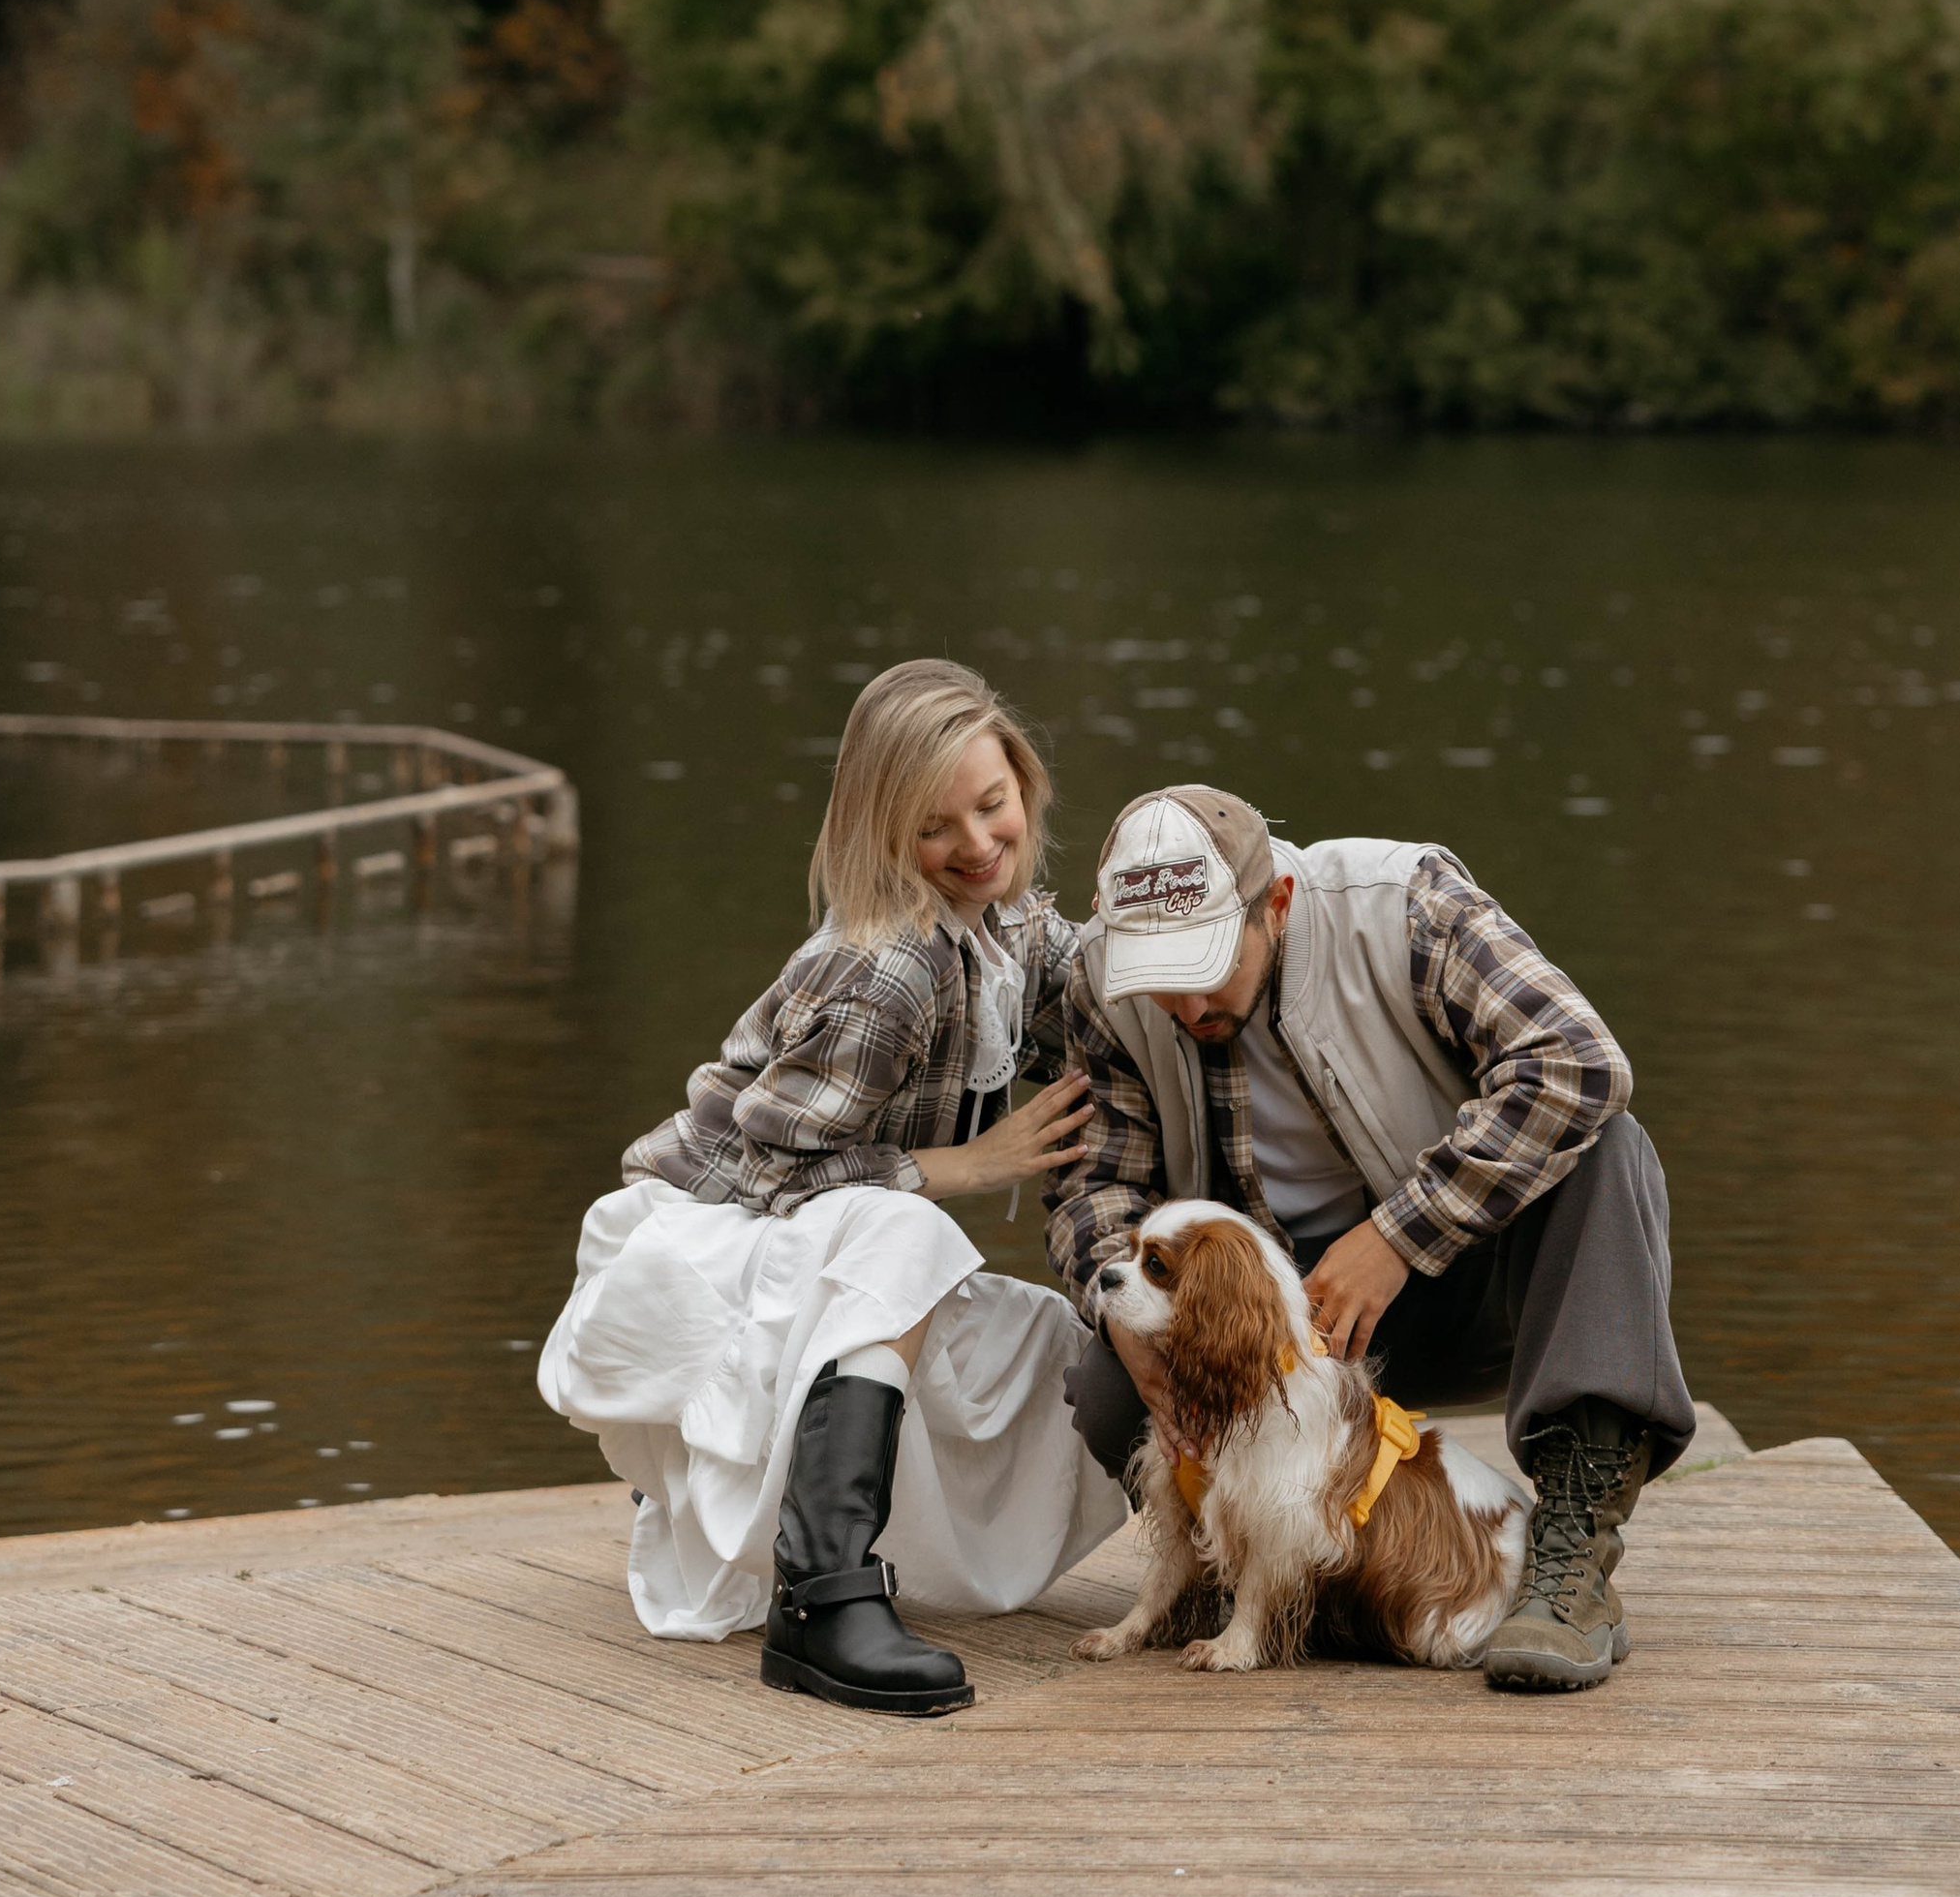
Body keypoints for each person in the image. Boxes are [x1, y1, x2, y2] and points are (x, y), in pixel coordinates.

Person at [538, 660, 1125, 1715]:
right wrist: (963, 1166)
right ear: (880, 835)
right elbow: (767, 1170)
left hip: (808, 1241)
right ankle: (819, 1600)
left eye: (992, 805)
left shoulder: (1007, 933)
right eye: (933, 827)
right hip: (704, 1239)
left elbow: (1107, 997)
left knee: (1054, 1348)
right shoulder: (888, 968)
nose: (977, 845)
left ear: (1025, 785)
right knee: (900, 1233)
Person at [1050, 781, 1696, 1692]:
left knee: (1606, 1150)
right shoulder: (1099, 985)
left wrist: (1398, 1237)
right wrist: (1118, 1311)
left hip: (1466, 1289)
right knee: (1105, 1386)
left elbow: (1579, 1062)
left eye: (1203, 966)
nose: (1183, 1004)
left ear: (1273, 900)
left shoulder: (1404, 906)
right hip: (1264, 1328)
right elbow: (1092, 1187)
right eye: (1154, 975)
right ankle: (1256, 1572)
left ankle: (1568, 1568)